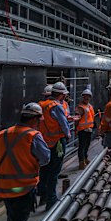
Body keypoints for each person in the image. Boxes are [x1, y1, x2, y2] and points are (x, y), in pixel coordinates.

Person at [0, 103, 50, 221]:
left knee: (12, 217)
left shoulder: (2, 134)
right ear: (34, 119)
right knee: (20, 219)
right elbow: (45, 158)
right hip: (23, 187)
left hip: (4, 187)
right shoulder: (32, 136)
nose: (39, 124)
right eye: (38, 121)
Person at [38, 81, 71, 210]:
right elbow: (63, 124)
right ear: (62, 95)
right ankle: (51, 200)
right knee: (54, 171)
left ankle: (43, 197)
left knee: (44, 170)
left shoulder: (41, 105)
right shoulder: (56, 106)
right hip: (57, 142)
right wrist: (67, 135)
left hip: (44, 142)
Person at [75, 88, 94, 169]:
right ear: (83, 97)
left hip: (89, 129)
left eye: (88, 97)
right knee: (82, 146)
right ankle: (81, 162)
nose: (86, 98)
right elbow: (77, 119)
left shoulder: (90, 106)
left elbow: (91, 117)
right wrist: (76, 129)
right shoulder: (80, 107)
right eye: (85, 97)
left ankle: (85, 158)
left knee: (87, 145)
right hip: (82, 130)